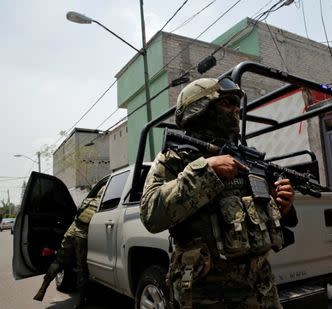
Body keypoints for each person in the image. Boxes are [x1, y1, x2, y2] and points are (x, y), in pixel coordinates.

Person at [140, 77, 298, 308]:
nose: (235, 110)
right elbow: (151, 214)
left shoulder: (246, 159)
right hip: (205, 295)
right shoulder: (175, 160)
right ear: (199, 109)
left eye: (237, 104)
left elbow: (261, 217)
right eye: (226, 103)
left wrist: (284, 206)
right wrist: (206, 171)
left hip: (261, 291)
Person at [33, 185, 105, 308]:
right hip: (82, 237)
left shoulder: (87, 201)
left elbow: (76, 214)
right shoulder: (101, 205)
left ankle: (42, 288)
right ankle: (81, 302)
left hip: (70, 233)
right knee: (82, 269)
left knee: (58, 262)